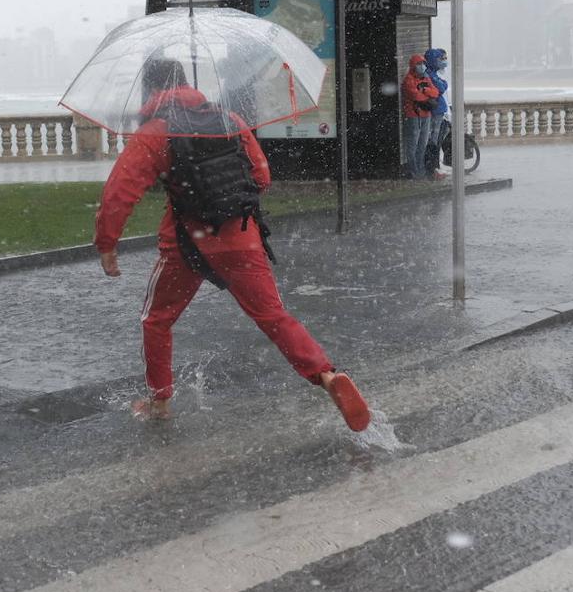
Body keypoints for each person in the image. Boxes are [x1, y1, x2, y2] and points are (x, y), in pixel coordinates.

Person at [94, 59, 371, 431]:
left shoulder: (156, 133)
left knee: (157, 320)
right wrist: (223, 199)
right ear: (188, 84)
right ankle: (326, 375)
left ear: (151, 91)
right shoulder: (230, 120)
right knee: (274, 317)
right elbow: (261, 176)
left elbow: (118, 194)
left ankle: (159, 401)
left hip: (186, 245)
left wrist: (107, 244)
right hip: (242, 237)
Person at [401, 54, 439, 180]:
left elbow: (435, 92)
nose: (422, 66)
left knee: (422, 144)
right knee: (412, 145)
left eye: (423, 63)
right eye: (419, 64)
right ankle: (414, 171)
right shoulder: (408, 80)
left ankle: (421, 171)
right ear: (413, 66)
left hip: (425, 115)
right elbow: (416, 96)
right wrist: (425, 93)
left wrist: (425, 91)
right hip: (413, 116)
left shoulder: (426, 78)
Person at [423, 48, 450, 180]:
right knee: (434, 140)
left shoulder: (432, 73)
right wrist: (443, 84)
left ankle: (435, 166)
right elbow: (440, 87)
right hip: (436, 111)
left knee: (437, 139)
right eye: (441, 59)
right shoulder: (429, 74)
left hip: (439, 111)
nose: (444, 62)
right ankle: (433, 168)